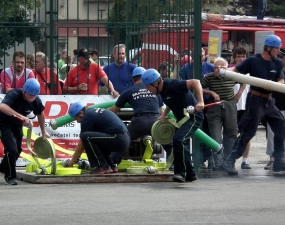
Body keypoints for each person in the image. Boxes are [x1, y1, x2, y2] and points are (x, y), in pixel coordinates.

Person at [223, 34, 285, 175]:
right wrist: (224, 71)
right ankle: (230, 161)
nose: (278, 51)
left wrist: (278, 84)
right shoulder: (253, 60)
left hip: (269, 101)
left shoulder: (278, 62)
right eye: (276, 48)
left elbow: (281, 80)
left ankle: (278, 161)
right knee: (248, 132)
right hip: (255, 100)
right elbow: (236, 70)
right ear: (268, 48)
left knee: (281, 127)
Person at [141, 68, 204, 183]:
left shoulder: (172, 84)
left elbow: (196, 82)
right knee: (180, 142)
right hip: (182, 119)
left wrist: (200, 101)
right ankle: (191, 174)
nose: (147, 89)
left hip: (193, 117)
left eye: (148, 87)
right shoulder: (161, 91)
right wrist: (164, 114)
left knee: (178, 139)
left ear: (155, 83)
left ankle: (180, 172)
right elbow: (171, 101)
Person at [108, 67, 173, 162]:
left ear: (132, 80)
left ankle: (112, 164)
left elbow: (114, 110)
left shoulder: (129, 91)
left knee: (123, 141)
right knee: (168, 144)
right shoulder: (155, 90)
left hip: (139, 121)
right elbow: (161, 112)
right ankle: (177, 165)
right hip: (155, 120)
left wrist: (98, 111)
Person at [0, 78, 50, 185]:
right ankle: (10, 177)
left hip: (17, 125)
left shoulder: (36, 100)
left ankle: (3, 167)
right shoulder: (14, 94)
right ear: (24, 91)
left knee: (17, 150)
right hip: (3, 124)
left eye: (34, 95)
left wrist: (43, 131)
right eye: (30, 95)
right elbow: (2, 106)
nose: (32, 98)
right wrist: (21, 116)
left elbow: (40, 114)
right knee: (11, 149)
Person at [62, 102, 131, 174]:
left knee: (86, 137)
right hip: (124, 139)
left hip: (118, 138)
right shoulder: (93, 113)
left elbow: (81, 143)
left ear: (81, 113)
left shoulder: (88, 116)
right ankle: (111, 165)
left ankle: (102, 166)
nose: (77, 121)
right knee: (96, 139)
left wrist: (71, 162)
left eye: (76, 118)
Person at [201, 57, 245, 169]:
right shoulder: (210, 77)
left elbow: (244, 80)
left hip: (229, 104)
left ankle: (228, 162)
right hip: (214, 106)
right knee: (215, 135)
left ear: (226, 68)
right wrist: (211, 92)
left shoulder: (231, 76)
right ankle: (218, 163)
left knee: (231, 134)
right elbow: (198, 87)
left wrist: (239, 93)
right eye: (215, 67)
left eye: (221, 67)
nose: (217, 70)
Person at [180, 47, 214, 169]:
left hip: (207, 104)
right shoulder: (185, 68)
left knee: (207, 131)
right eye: (198, 55)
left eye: (202, 54)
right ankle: (197, 159)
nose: (201, 57)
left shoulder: (210, 67)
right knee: (194, 131)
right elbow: (182, 85)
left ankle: (209, 157)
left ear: (205, 55)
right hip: (191, 104)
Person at [229, 47, 251, 169]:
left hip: (245, 105)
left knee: (246, 134)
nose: (241, 58)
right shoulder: (231, 69)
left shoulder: (249, 69)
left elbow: (247, 82)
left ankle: (245, 160)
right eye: (239, 56)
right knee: (231, 133)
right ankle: (230, 159)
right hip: (233, 106)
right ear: (235, 57)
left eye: (243, 56)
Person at [264, 49, 285, 170]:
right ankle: (272, 159)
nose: (281, 59)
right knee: (272, 133)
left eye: (283, 57)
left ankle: (283, 158)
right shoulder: (275, 69)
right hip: (274, 105)